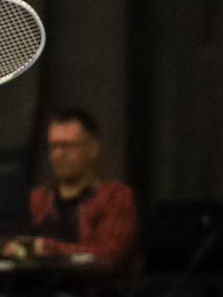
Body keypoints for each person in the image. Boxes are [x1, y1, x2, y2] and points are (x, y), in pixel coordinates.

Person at [15, 107, 137, 267]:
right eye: (53, 146)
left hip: (90, 282)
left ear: (92, 148)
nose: (58, 153)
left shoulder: (115, 197)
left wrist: (47, 248)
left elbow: (109, 255)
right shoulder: (37, 199)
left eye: (68, 146)